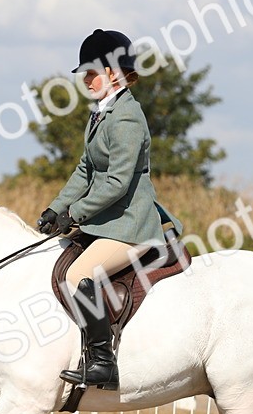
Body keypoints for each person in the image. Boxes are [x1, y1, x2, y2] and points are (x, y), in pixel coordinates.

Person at [36, 29, 182, 392]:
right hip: (107, 224)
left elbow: (117, 182)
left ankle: (102, 362)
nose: (85, 80)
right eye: (84, 74)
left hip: (131, 227)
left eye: (91, 73)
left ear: (114, 72)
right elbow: (85, 170)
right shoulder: (101, 114)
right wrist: (56, 208)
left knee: (78, 275)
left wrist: (76, 214)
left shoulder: (127, 117)